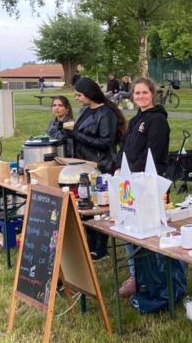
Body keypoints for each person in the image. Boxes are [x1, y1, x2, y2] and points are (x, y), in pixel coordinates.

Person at [114, 78, 185, 311]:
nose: (141, 96)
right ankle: (138, 276)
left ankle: (155, 279)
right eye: (137, 93)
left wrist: (134, 174)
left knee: (150, 232)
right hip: (130, 184)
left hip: (148, 184)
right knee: (129, 229)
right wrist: (119, 168)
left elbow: (152, 155)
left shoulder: (157, 121)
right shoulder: (135, 120)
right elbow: (125, 150)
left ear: (152, 94)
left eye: (145, 92)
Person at [63, 77, 127, 260]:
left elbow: (105, 143)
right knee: (84, 202)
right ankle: (89, 243)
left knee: (100, 206)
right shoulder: (85, 110)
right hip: (84, 164)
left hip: (100, 165)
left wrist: (77, 135)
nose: (76, 98)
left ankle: (100, 248)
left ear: (89, 94)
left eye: (78, 95)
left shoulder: (106, 113)